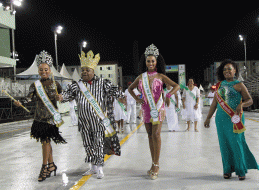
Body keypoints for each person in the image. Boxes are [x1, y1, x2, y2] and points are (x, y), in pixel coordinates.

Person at [59, 50, 121, 179]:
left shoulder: (103, 83)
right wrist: (60, 97)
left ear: (93, 71)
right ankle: (92, 167)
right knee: (88, 144)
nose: (84, 72)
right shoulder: (76, 85)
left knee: (98, 143)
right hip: (84, 122)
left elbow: (115, 91)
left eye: (87, 70)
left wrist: (123, 96)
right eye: (83, 70)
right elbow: (67, 95)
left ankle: (99, 168)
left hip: (98, 122)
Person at [128, 44, 180, 180]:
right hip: (145, 109)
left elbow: (177, 85)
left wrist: (168, 95)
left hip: (158, 108)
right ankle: (153, 163)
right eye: (148, 61)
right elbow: (130, 89)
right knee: (150, 136)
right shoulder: (141, 77)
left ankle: (156, 165)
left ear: (156, 62)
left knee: (156, 134)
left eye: (153, 61)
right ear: (145, 62)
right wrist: (136, 99)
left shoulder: (161, 76)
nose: (150, 63)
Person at [14, 51, 66, 182]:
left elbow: (64, 96)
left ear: (50, 70)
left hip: (51, 117)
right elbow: (28, 98)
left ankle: (44, 167)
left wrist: (61, 97)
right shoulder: (34, 85)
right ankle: (52, 165)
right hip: (39, 118)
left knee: (45, 141)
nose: (43, 72)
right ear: (38, 70)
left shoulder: (56, 84)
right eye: (41, 69)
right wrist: (21, 102)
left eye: (46, 69)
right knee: (46, 142)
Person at [204, 59, 259, 180]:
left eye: (229, 69)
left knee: (237, 143)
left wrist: (241, 105)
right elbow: (214, 103)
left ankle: (241, 170)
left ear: (235, 70)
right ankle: (227, 169)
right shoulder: (219, 85)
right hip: (220, 119)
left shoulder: (239, 85)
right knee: (224, 144)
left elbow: (249, 100)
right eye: (224, 69)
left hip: (235, 118)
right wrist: (208, 118)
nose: (227, 71)